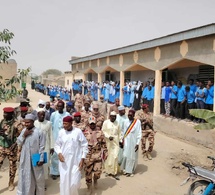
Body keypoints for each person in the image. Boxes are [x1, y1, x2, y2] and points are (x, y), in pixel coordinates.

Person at [54, 116, 88, 195]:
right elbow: (57, 145)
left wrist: (82, 159)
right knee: (64, 182)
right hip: (64, 162)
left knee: (74, 182)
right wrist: (59, 153)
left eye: (66, 124)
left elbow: (84, 145)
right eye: (63, 124)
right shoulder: (61, 132)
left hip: (76, 161)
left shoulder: (78, 132)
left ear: (71, 123)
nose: (64, 125)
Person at [16, 114, 46, 195]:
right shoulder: (23, 131)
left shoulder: (39, 132)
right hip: (25, 158)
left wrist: (41, 158)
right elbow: (18, 142)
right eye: (25, 122)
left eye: (28, 122)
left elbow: (42, 146)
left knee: (38, 177)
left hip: (36, 157)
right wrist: (24, 135)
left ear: (33, 122)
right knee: (26, 176)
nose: (26, 124)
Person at [83, 116, 108, 195]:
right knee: (88, 173)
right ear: (89, 124)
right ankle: (89, 187)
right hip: (88, 156)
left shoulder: (100, 132)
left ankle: (96, 179)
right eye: (91, 124)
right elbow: (81, 144)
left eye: (93, 124)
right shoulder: (85, 133)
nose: (92, 125)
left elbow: (103, 143)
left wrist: (106, 152)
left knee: (98, 172)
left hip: (97, 155)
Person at [0, 107, 22, 191]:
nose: (4, 115)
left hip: (12, 148)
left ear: (11, 114)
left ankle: (11, 182)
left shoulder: (17, 124)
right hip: (2, 147)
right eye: (4, 113)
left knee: (12, 166)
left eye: (6, 113)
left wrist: (15, 144)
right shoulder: (2, 121)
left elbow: (21, 136)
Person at [50, 100, 70, 180]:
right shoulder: (53, 115)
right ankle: (54, 172)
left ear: (63, 107)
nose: (60, 107)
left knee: (65, 154)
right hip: (55, 137)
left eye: (61, 106)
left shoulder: (67, 114)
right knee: (55, 155)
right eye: (58, 106)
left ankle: (63, 171)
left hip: (65, 137)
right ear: (57, 107)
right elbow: (51, 126)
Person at [34, 108, 53, 185]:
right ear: (37, 115)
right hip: (36, 147)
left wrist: (52, 146)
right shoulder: (34, 123)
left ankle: (43, 183)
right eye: (40, 114)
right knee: (36, 163)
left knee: (45, 165)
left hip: (46, 147)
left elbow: (50, 135)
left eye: (43, 115)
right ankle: (36, 182)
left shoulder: (48, 123)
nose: (42, 116)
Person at [121, 109, 141, 176]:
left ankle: (130, 171)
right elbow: (123, 131)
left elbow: (139, 133)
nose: (129, 116)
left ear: (133, 115)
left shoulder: (137, 122)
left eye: (131, 115)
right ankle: (125, 169)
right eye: (128, 115)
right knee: (125, 155)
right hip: (126, 141)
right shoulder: (125, 121)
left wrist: (137, 143)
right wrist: (122, 140)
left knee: (132, 157)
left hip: (133, 142)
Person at [102, 111, 121, 180]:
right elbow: (103, 131)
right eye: (112, 116)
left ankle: (114, 172)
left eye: (115, 117)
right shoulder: (106, 122)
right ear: (109, 116)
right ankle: (108, 171)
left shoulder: (117, 123)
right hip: (108, 142)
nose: (113, 118)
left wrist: (121, 141)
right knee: (108, 156)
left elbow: (120, 132)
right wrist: (108, 136)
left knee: (115, 156)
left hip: (115, 142)